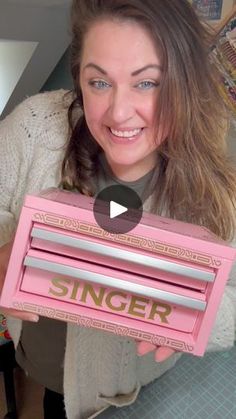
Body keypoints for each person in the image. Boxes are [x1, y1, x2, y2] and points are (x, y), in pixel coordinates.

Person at [0, 0, 236, 418]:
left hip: (142, 390)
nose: (119, 113)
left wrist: (194, 313)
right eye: (99, 83)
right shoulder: (33, 129)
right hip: (46, 375)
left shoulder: (218, 183)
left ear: (182, 82)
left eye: (147, 83)